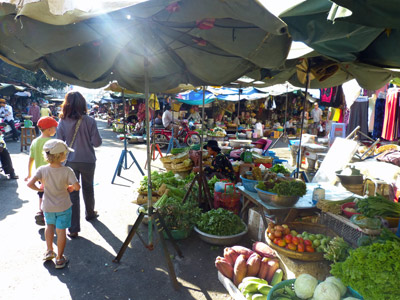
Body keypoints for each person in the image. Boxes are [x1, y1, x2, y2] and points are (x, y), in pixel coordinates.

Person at [27, 139, 80, 269]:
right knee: (61, 231)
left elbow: (29, 184)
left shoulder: (42, 170)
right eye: (65, 153)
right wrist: (71, 188)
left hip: (47, 206)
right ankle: (60, 259)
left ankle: (49, 250)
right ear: (61, 156)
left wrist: (41, 189)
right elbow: (77, 187)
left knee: (49, 226)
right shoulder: (67, 171)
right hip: (63, 206)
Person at [56, 91, 102, 238]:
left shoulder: (62, 122)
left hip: (69, 162)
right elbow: (97, 143)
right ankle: (90, 214)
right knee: (88, 188)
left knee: (72, 194)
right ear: (83, 104)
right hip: (88, 160)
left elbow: (58, 144)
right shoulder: (89, 121)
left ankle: (74, 228)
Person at [25, 116, 58, 226]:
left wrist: (29, 174)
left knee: (41, 192)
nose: (56, 130)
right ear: (49, 129)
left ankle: (41, 212)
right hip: (52, 174)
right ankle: (53, 214)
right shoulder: (53, 142)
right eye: (54, 128)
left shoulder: (35, 141)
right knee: (54, 194)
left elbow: (31, 159)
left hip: (40, 175)